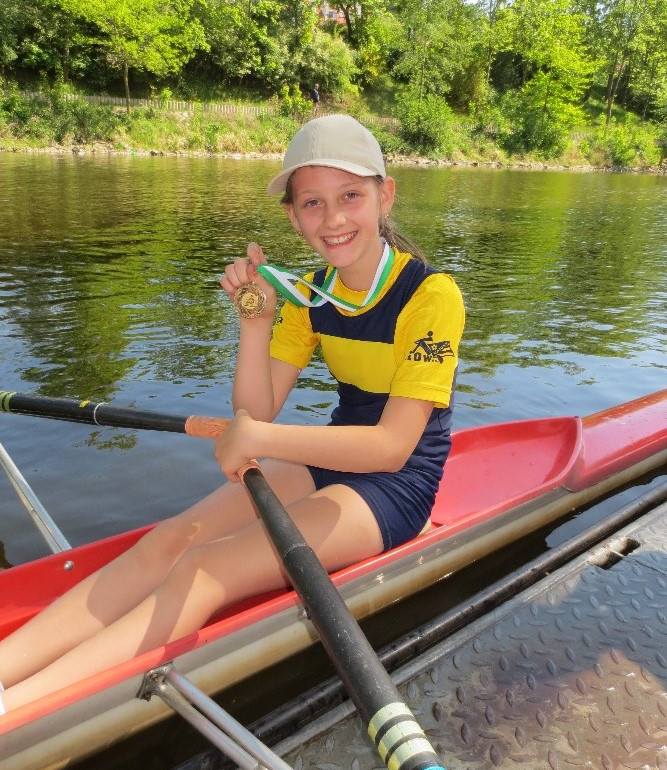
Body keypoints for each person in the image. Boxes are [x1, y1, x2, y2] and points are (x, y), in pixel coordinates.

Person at [0, 115, 465, 715]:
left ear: (385, 195)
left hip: (397, 484)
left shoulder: (431, 296)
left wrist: (260, 438)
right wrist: (255, 321)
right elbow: (254, 411)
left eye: (351, 195)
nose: (333, 219)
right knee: (173, 539)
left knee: (205, 568)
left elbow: (391, 447)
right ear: (294, 217)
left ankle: (17, 711)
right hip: (332, 459)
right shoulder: (310, 295)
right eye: (313, 203)